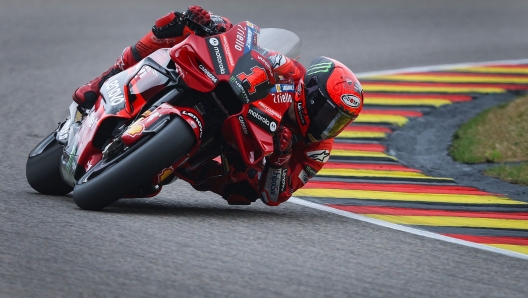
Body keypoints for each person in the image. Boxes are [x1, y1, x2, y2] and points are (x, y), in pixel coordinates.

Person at [72, 6, 364, 206]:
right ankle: (102, 81)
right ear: (310, 94)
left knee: (245, 190)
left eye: (340, 121)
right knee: (179, 22)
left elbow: (276, 196)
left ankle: (164, 162)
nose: (329, 126)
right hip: (228, 94)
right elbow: (256, 47)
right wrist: (215, 25)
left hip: (239, 150)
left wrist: (280, 160)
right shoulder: (292, 72)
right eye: (328, 114)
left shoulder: (318, 148)